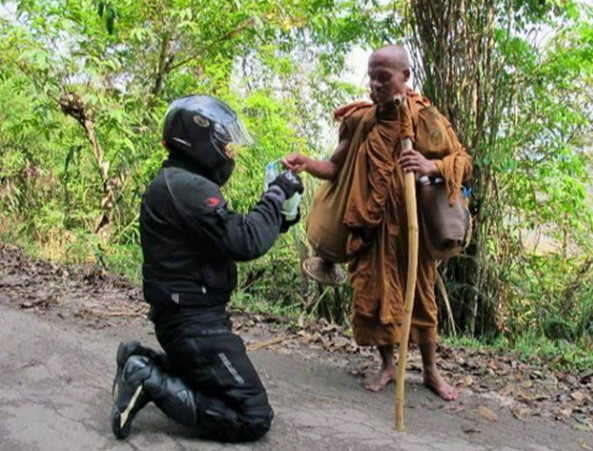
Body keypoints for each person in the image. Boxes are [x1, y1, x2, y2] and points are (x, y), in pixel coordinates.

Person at [110, 94, 304, 442]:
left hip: (188, 319)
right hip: (194, 324)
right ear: (200, 140)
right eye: (225, 143)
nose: (229, 151)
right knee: (252, 415)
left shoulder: (179, 181)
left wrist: (281, 214)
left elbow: (230, 232)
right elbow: (245, 241)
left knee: (216, 381)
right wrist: (275, 196)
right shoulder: (187, 187)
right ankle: (147, 379)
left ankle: (139, 359)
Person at [283, 45, 472, 400]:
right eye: (372, 78)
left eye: (383, 78)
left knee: (421, 298)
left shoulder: (425, 117)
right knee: (371, 299)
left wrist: (431, 166)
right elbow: (335, 167)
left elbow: (461, 159)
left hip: (412, 231)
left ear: (405, 76)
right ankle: (388, 365)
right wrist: (306, 163)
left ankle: (431, 370)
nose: (375, 86)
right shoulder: (359, 121)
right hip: (368, 228)